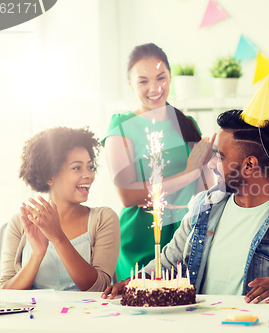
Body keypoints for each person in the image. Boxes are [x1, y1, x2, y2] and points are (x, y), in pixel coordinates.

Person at [103, 108, 269, 303]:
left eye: (219, 157)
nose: (210, 165)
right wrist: (139, 279)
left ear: (249, 165)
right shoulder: (204, 207)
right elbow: (170, 260)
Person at [102, 43, 212, 280]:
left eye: (161, 78)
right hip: (140, 238)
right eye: (143, 81)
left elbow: (204, 191)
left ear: (170, 78)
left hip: (183, 235)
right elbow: (128, 196)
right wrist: (189, 173)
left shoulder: (188, 124)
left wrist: (212, 167)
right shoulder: (121, 126)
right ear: (131, 84)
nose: (154, 88)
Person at [0, 127, 120, 291]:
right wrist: (36, 255)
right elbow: (5, 293)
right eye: (77, 168)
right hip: (35, 316)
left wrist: (58, 237)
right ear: (50, 176)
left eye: (90, 167)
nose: (89, 175)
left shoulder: (104, 218)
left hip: (87, 316)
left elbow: (99, 289)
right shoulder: (20, 223)